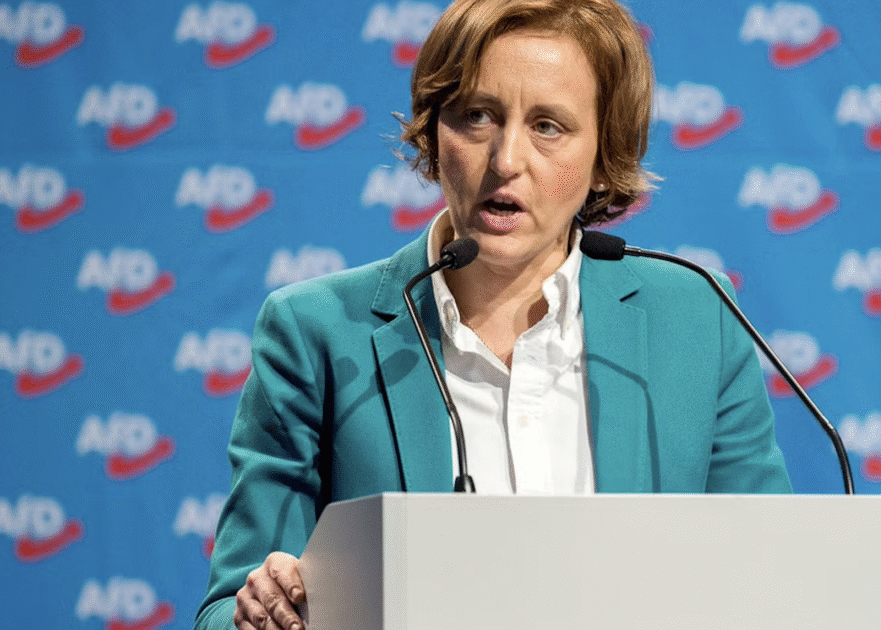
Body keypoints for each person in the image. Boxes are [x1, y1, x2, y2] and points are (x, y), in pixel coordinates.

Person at [194, 1, 791, 629]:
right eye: (476, 117)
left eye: (549, 126)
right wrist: (260, 615)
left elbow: (771, 578)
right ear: (433, 131)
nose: (506, 160)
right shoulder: (316, 332)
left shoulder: (697, 315)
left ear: (602, 151)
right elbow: (226, 608)